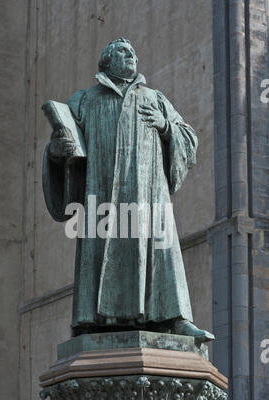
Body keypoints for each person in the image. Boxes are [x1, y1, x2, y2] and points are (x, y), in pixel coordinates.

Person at [43, 38, 214, 342]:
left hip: (150, 196)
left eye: (133, 52)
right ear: (106, 61)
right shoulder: (84, 101)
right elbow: (65, 145)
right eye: (123, 52)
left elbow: (189, 140)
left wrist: (166, 127)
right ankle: (92, 321)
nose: (131, 56)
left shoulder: (154, 98)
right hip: (103, 196)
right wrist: (57, 151)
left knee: (161, 251)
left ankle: (174, 318)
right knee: (98, 248)